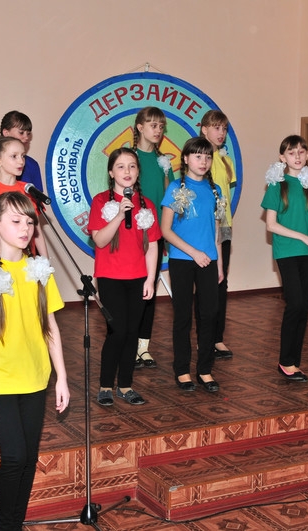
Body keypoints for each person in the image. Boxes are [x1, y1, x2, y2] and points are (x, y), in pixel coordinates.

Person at [0, 191, 69, 529]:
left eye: (29, 222)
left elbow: (51, 327)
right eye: (16, 221)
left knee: (29, 458)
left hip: (35, 378)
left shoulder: (39, 270)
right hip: (0, 381)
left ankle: (14, 524)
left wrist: (61, 378)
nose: (25, 228)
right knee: (15, 456)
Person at [88, 147, 161, 406]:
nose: (127, 171)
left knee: (132, 333)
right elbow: (99, 240)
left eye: (132, 166)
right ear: (111, 172)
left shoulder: (147, 204)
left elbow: (153, 245)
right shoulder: (100, 202)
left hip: (138, 277)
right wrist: (120, 215)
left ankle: (126, 386)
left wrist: (150, 279)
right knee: (117, 332)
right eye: (120, 166)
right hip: (110, 276)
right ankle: (106, 385)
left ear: (138, 171)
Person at [261, 135, 308, 382]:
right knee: (295, 303)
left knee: (303, 307)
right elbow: (271, 225)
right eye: (291, 152)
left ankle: (293, 362)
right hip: (287, 251)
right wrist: (303, 237)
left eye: (301, 152)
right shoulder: (277, 184)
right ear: (283, 157)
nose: (297, 156)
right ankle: (286, 361)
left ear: (307, 154)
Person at [160, 137, 225, 392]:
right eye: (198, 156)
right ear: (186, 159)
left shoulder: (215, 190)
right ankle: (182, 369)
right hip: (182, 260)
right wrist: (194, 252)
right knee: (183, 316)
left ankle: (205, 369)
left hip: (209, 261)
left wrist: (219, 265)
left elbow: (217, 232)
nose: (203, 161)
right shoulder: (175, 189)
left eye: (207, 157)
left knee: (209, 315)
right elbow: (166, 230)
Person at [132, 106, 174, 369]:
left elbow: (170, 199)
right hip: (132, 234)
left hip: (155, 236)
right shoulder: (129, 157)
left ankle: (143, 347)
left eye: (161, 126)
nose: (158, 130)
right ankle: (127, 344)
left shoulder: (163, 162)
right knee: (131, 291)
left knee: (149, 290)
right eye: (153, 125)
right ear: (140, 127)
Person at [0, 136, 48, 260]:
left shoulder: (28, 190)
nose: (21, 161)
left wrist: (46, 264)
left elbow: (37, 233)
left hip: (27, 261)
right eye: (14, 156)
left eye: (23, 156)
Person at [200, 110, 237, 359]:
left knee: (221, 281)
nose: (220, 133)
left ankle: (217, 338)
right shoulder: (199, 158)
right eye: (216, 127)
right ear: (204, 130)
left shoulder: (226, 161)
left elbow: (226, 195)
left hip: (223, 226)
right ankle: (203, 337)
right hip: (202, 227)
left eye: (224, 128)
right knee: (205, 284)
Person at [0, 111, 44, 199]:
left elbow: (37, 201)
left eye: (28, 133)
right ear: (6, 133)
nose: (26, 137)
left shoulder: (32, 165)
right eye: (21, 132)